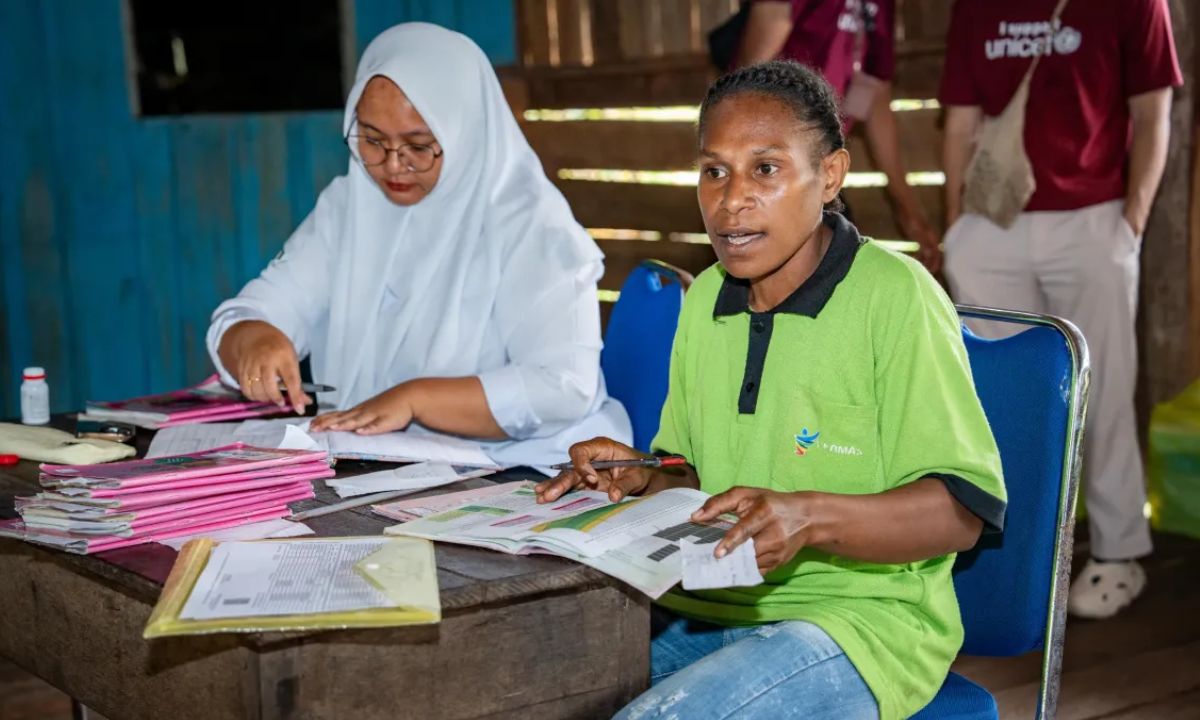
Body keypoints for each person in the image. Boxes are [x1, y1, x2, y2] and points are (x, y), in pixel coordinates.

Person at [537, 61, 1005, 720]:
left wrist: (809, 517)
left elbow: (961, 511)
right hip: (702, 602)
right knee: (522, 682)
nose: (731, 201)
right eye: (714, 171)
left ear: (831, 175)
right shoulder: (704, 306)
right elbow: (695, 478)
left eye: (766, 169)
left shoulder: (895, 298)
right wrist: (642, 474)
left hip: (858, 624)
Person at [206, 23, 630, 468]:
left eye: (419, 146)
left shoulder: (534, 228)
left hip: (516, 467)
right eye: (372, 139)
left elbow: (563, 387)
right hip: (379, 463)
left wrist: (417, 399)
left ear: (465, 132)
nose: (392, 165)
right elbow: (251, 312)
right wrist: (253, 337)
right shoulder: (351, 205)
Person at [939, 0, 1180, 619]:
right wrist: (956, 226)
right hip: (995, 219)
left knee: (1103, 386)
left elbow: (1154, 113)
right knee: (994, 393)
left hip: (1096, 216)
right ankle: (1010, 550)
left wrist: (1131, 223)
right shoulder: (974, 8)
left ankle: (1120, 551)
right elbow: (961, 122)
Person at [734, 0, 943, 272]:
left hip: (816, 170)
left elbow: (873, 94)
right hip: (769, 169)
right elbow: (745, 87)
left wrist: (908, 209)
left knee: (837, 272)